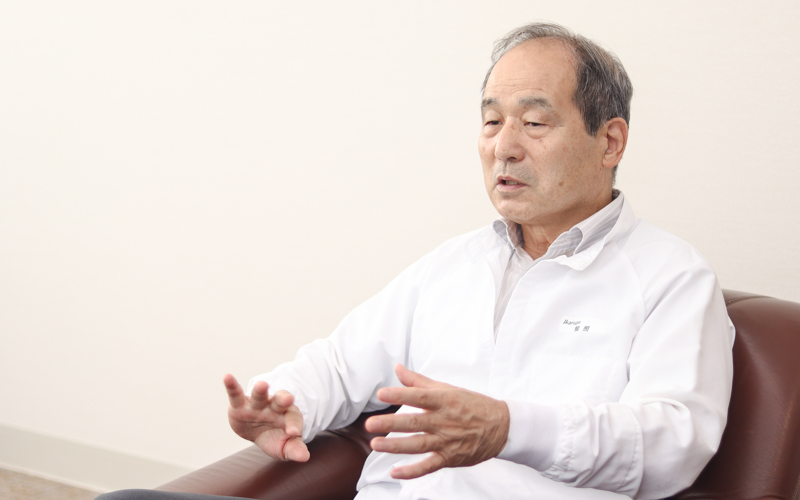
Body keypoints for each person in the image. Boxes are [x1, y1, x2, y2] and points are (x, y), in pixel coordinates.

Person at [101, 22, 734, 500]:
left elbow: (673, 442)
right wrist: (291, 403)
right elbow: (341, 362)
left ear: (610, 141)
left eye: (535, 123)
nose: (504, 147)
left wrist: (508, 428)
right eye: (492, 122)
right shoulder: (456, 263)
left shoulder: (670, 277)